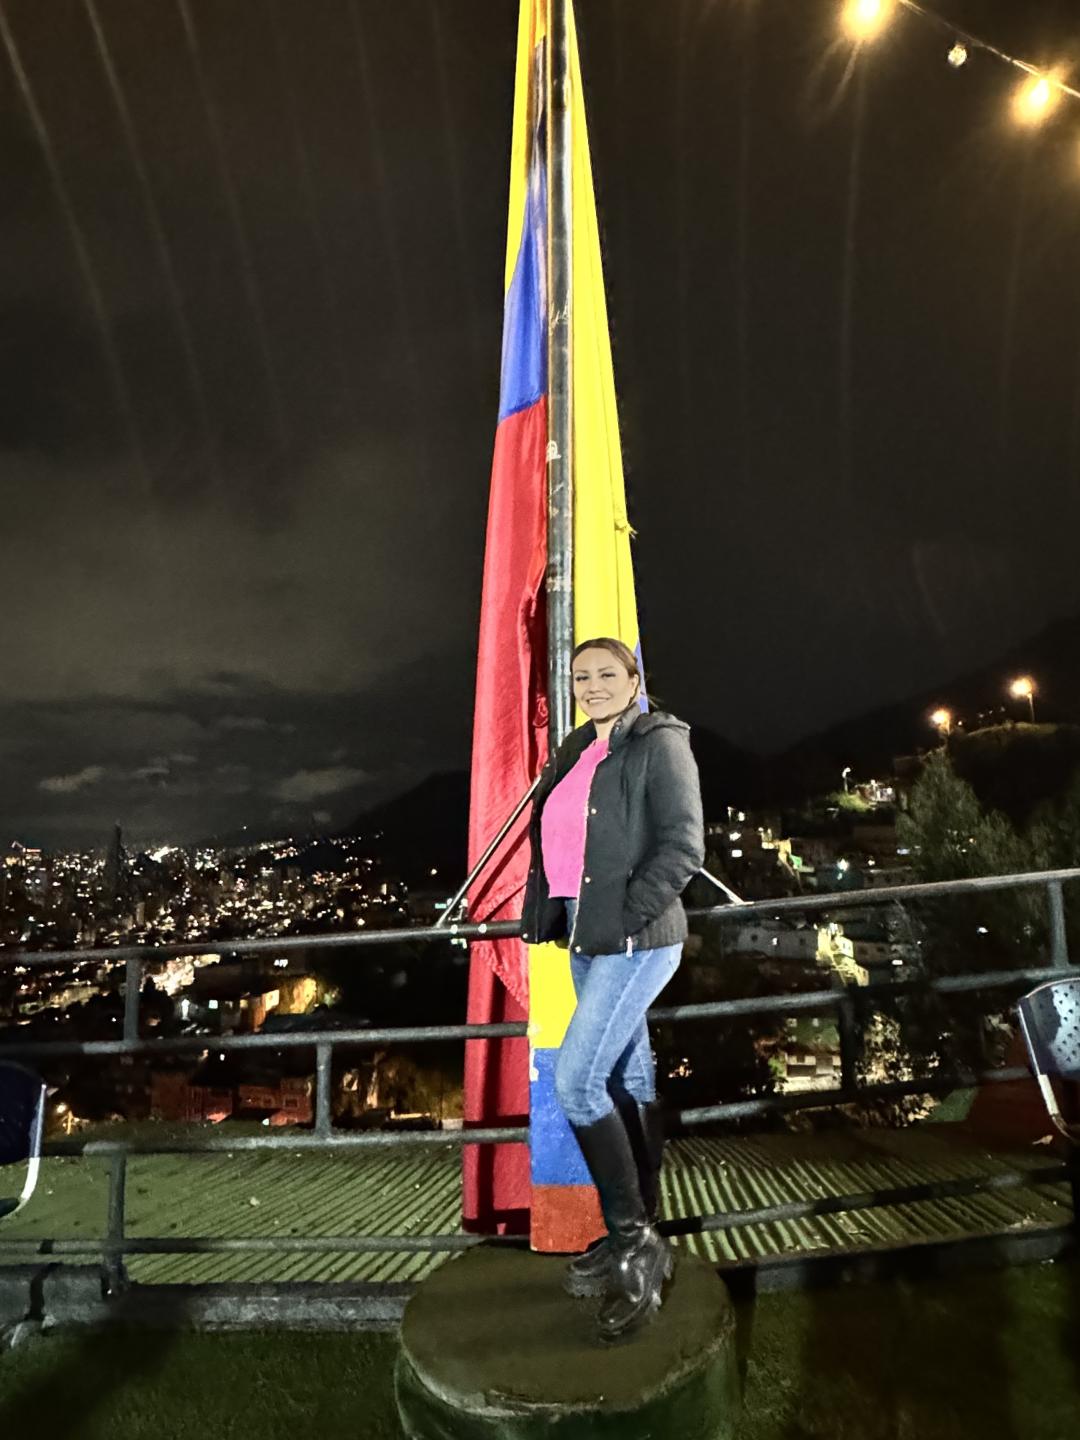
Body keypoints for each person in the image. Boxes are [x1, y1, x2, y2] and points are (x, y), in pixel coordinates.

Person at [521, 636, 705, 1342]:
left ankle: (636, 1245)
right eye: (580, 677)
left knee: (576, 1083)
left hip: (636, 939)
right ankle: (640, 1228)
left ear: (634, 679)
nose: (592, 685)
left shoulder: (660, 743)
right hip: (585, 936)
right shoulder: (577, 750)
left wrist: (630, 917)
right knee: (627, 1079)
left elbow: (683, 846)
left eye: (606, 674)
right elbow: (560, 847)